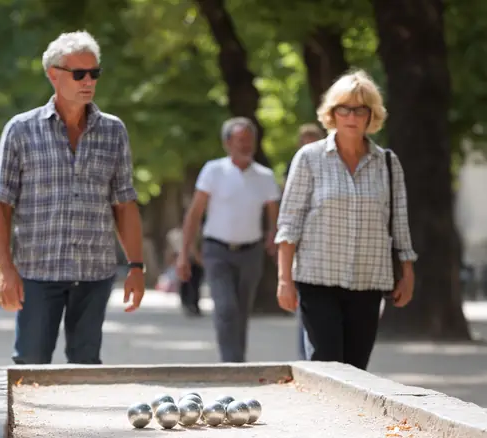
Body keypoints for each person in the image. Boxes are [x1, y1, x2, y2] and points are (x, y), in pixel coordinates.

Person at [0, 31, 145, 365]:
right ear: (53, 74)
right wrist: (6, 270)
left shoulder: (114, 131)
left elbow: (124, 203)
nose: (88, 81)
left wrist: (136, 266)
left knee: (87, 366)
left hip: (95, 272)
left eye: (94, 73)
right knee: (30, 361)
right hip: (37, 271)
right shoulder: (20, 130)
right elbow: (0, 204)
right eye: (79, 73)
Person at [275, 69, 417, 370]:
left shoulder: (388, 164)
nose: (351, 116)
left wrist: (407, 271)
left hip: (369, 281)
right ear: (332, 113)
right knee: (327, 364)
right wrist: (284, 279)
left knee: (356, 370)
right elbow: (289, 223)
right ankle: (321, 419)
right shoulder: (309, 158)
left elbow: (399, 223)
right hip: (317, 279)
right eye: (344, 108)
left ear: (371, 115)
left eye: (360, 109)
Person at [178, 117, 281, 362]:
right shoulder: (213, 171)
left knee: (242, 310)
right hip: (217, 251)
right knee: (226, 308)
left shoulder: (265, 177)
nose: (245, 146)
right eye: (240, 140)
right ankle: (230, 363)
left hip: (251, 252)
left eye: (249, 141)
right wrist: (185, 253)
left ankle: (238, 362)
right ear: (227, 143)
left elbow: (274, 217)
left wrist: (273, 239)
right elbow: (195, 213)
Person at [284, 123, 325, 360]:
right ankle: (305, 355)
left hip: (324, 242)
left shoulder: (331, 166)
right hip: (302, 245)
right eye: (304, 141)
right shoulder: (295, 167)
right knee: (306, 302)